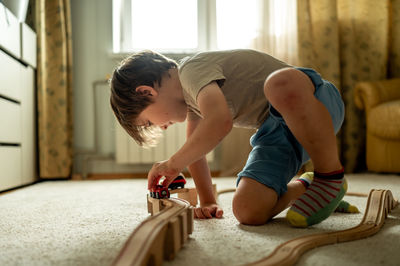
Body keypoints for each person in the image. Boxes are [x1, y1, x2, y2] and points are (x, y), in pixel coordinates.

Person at [109, 49, 346, 227]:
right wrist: (208, 201)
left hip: (315, 103)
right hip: (277, 131)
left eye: (150, 122)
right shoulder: (193, 105)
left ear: (146, 92)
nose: (161, 127)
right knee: (247, 210)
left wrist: (172, 164)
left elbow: (220, 121)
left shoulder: (191, 71)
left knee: (279, 84)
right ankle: (309, 185)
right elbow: (197, 152)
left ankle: (330, 176)